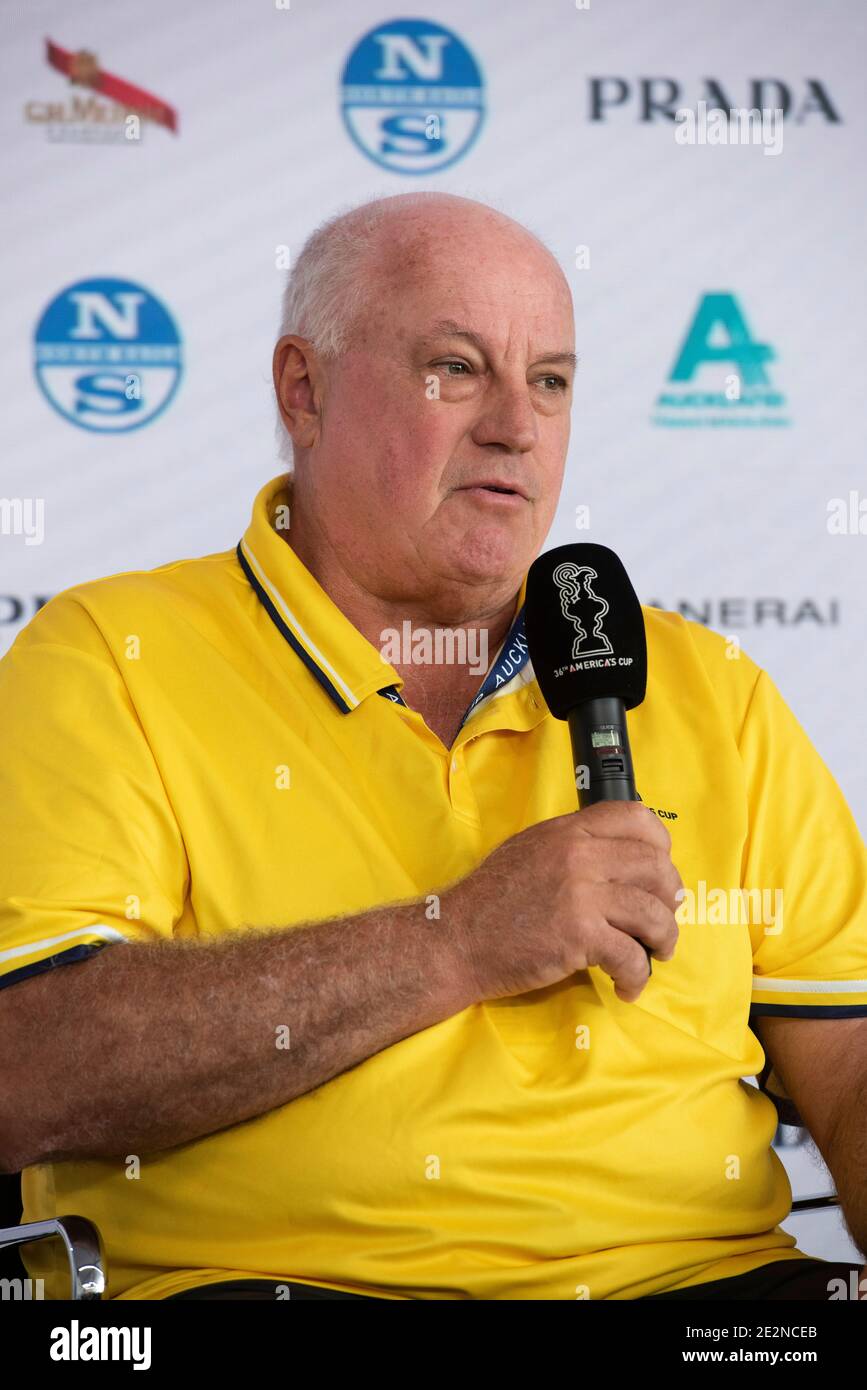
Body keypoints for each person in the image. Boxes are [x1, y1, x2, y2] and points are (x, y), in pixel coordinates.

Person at [0, 193, 865, 1302]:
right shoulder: (109, 656)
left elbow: (844, 1071)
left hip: (708, 1302)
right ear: (302, 392)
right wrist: (459, 939)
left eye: (550, 380)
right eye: (456, 368)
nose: (517, 424)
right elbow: (32, 1068)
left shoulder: (715, 686)